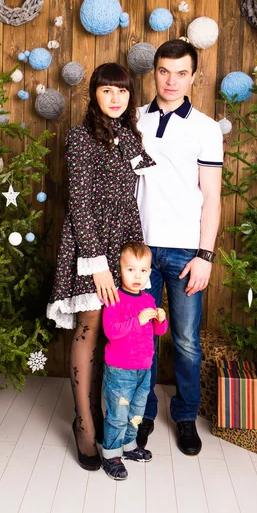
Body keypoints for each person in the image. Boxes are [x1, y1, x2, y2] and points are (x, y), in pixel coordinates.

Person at [47, 63, 156, 471]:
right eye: (107, 90)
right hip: (90, 244)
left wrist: (133, 258)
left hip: (124, 246)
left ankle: (111, 416)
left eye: (122, 91)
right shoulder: (79, 138)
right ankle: (84, 423)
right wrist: (96, 265)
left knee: (121, 329)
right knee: (90, 327)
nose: (115, 98)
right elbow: (80, 204)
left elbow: (133, 201)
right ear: (94, 94)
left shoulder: (131, 139)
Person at [135, 39, 223, 456]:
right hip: (141, 253)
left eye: (181, 73)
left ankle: (186, 417)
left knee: (186, 340)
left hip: (187, 252)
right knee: (143, 340)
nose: (172, 81)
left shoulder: (205, 127)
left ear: (193, 76)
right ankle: (144, 412)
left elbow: (212, 195)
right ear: (154, 72)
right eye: (164, 71)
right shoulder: (133, 119)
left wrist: (205, 256)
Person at [101, 241, 168, 481]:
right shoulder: (114, 298)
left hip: (144, 369)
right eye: (131, 270)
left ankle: (128, 447)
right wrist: (137, 321)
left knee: (136, 413)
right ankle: (110, 454)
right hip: (120, 370)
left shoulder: (148, 300)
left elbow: (159, 332)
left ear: (150, 272)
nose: (137, 276)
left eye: (143, 271)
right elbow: (111, 331)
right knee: (118, 414)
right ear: (120, 270)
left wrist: (160, 318)